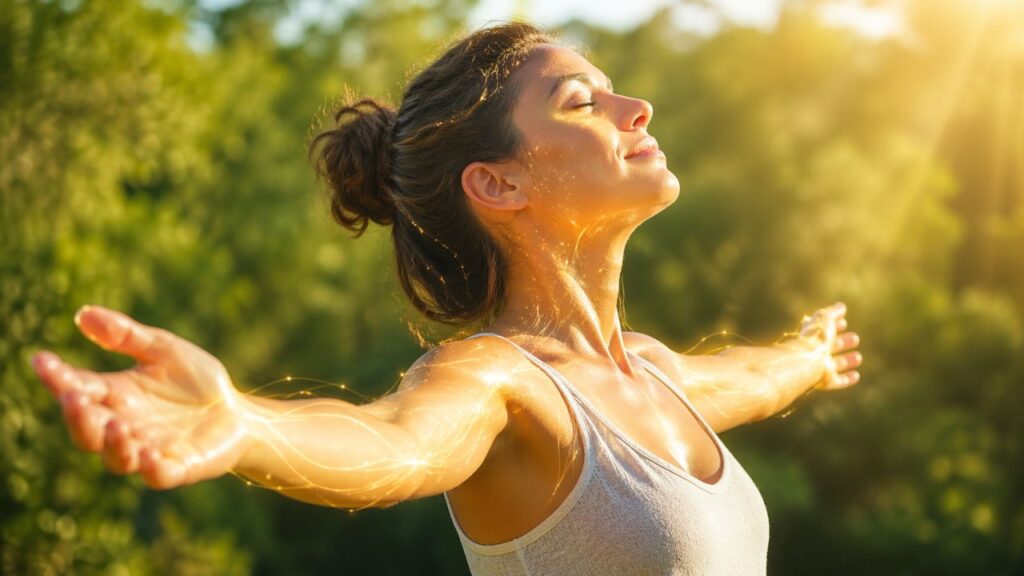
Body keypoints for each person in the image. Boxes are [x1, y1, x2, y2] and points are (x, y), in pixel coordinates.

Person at [30, 21, 863, 575]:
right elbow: (394, 441)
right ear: (497, 183)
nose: (634, 108)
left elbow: (750, 380)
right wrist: (244, 424)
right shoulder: (500, 384)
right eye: (582, 101)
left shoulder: (653, 374)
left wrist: (810, 355)